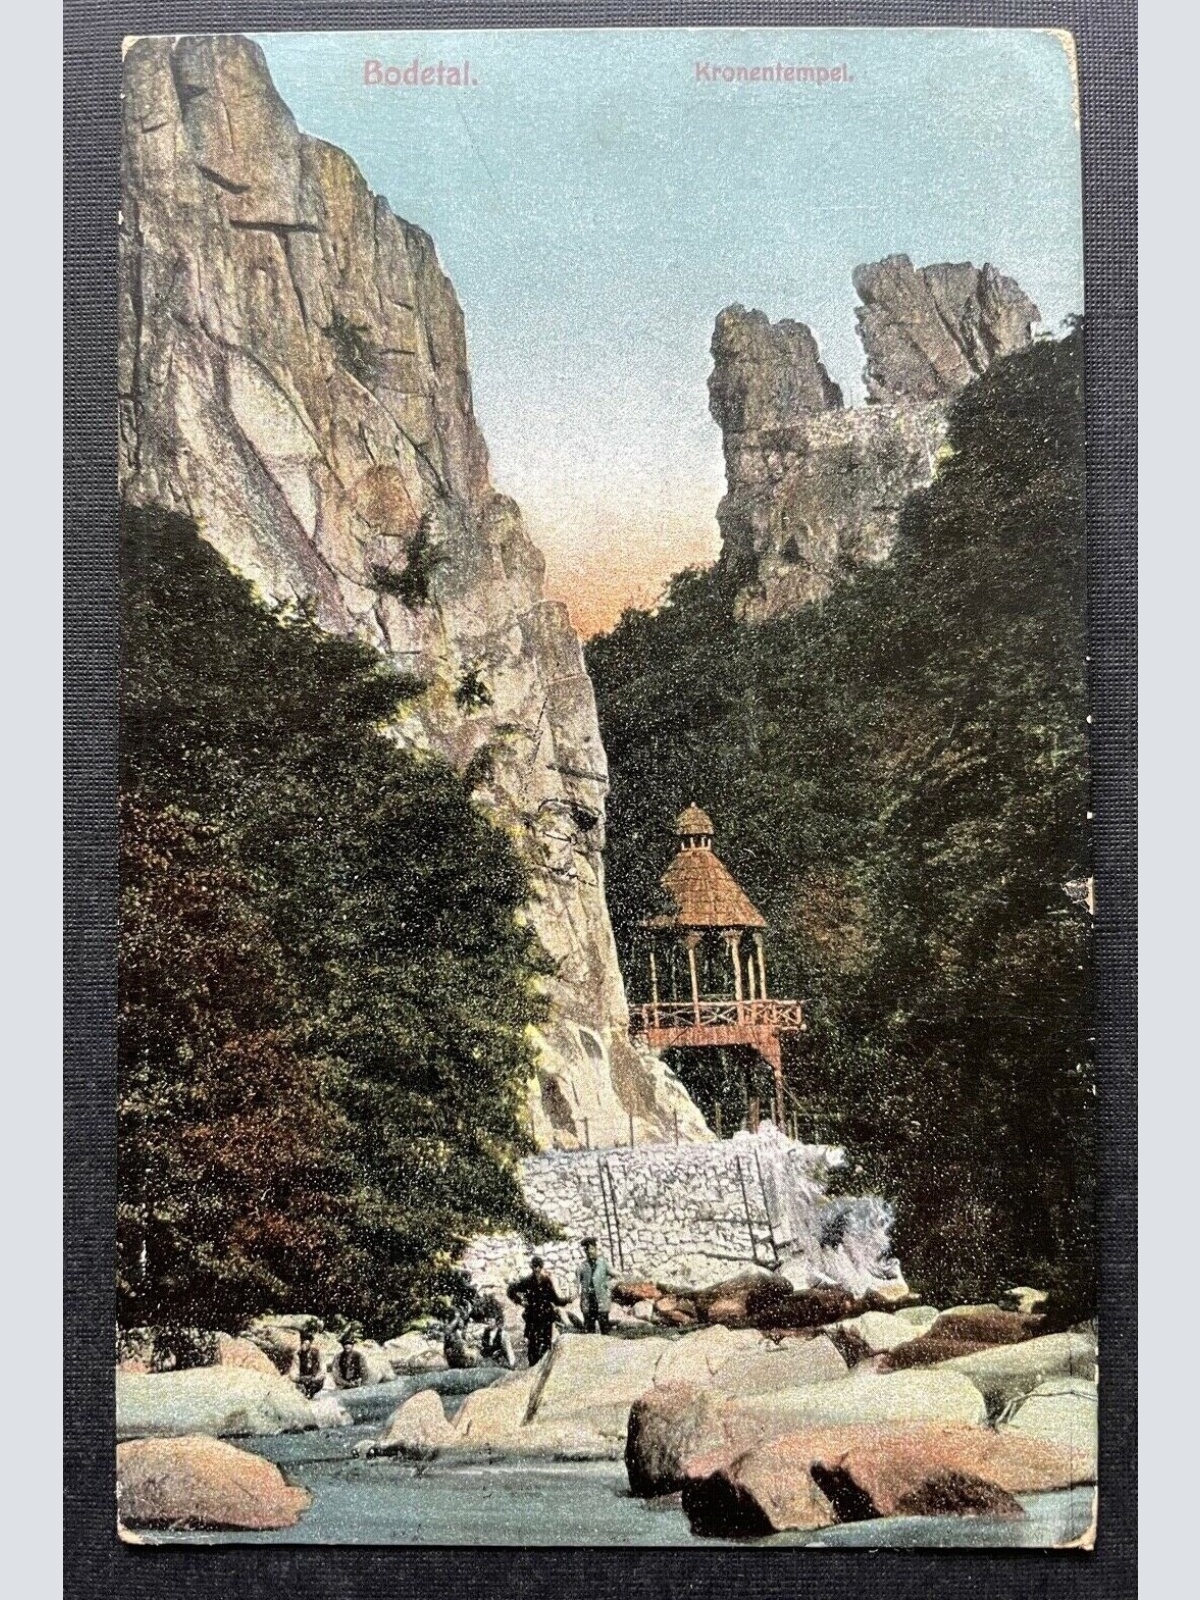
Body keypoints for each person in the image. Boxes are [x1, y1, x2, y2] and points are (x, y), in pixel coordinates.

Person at [506, 1255, 569, 1366]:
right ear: (532, 1267)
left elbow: (554, 1298)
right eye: (534, 1267)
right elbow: (510, 1289)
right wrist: (520, 1301)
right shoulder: (527, 1281)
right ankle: (533, 1368)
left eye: (538, 1267)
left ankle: (544, 1367)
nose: (536, 1269)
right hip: (533, 1317)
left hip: (546, 1316)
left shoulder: (546, 1281)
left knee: (546, 1343)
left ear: (541, 1267)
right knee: (533, 1345)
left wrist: (565, 1300)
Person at [575, 1236, 615, 1334]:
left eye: (592, 1249)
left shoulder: (603, 1264)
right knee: (589, 1333)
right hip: (588, 1304)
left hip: (602, 1302)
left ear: (596, 1249)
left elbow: (618, 1276)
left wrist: (608, 1286)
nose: (590, 1252)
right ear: (585, 1252)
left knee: (605, 1330)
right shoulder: (582, 1267)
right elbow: (575, 1284)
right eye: (588, 1250)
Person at [475, 1293, 516, 1370]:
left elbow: (509, 1351)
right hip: (485, 1364)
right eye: (488, 1319)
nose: (488, 1322)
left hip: (498, 1364)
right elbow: (473, 1339)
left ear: (497, 1321)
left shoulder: (503, 1334)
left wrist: (512, 1364)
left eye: (491, 1320)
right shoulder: (483, 1332)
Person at [295, 1321, 325, 1398]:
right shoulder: (298, 1354)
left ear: (310, 1342)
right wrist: (301, 1379)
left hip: (314, 1381)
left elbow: (323, 1371)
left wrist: (314, 1379)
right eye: (302, 1340)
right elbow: (294, 1373)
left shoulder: (317, 1353)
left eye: (306, 1341)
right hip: (302, 1380)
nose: (303, 1343)